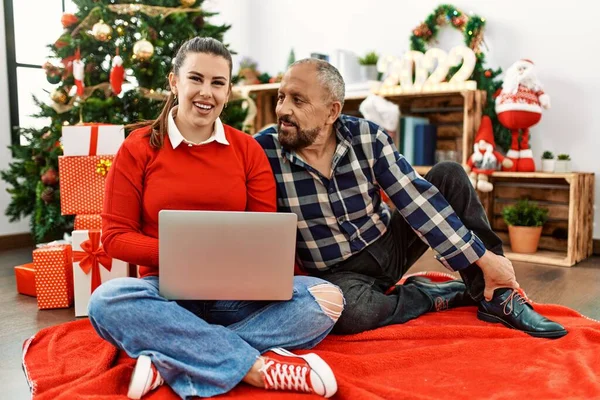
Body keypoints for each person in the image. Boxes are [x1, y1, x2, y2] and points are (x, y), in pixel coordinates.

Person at [88, 39, 344, 400]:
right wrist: (182, 255)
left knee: (325, 298)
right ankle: (254, 367)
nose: (206, 92)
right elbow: (114, 237)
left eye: (218, 83)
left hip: (235, 297)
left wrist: (234, 263)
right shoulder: (139, 146)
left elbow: (262, 237)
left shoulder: (247, 150)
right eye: (196, 79)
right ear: (175, 82)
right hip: (165, 296)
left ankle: (174, 358)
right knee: (106, 300)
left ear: (228, 91)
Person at [254, 58, 567, 339]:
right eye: (281, 97)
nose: (282, 109)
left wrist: (484, 258)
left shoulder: (367, 137)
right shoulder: (262, 151)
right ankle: (430, 295)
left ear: (332, 111)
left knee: (448, 174)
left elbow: (416, 198)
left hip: (390, 243)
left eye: (297, 100)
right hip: (340, 274)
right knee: (351, 315)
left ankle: (496, 293)